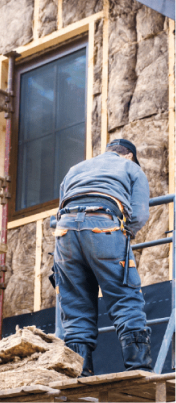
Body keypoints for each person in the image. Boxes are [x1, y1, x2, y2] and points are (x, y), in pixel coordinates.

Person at [53, 138, 152, 376]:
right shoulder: (131, 167)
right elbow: (139, 215)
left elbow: (61, 206)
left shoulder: (75, 169)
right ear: (128, 155)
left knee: (75, 304)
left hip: (64, 232)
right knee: (124, 298)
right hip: (104, 225)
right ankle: (137, 367)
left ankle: (79, 371)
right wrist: (123, 234)